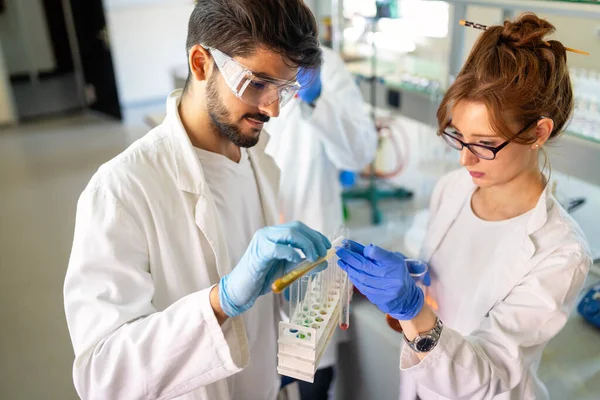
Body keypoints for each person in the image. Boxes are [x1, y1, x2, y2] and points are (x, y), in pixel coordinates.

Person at [63, 1, 329, 399]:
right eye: (257, 83)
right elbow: (103, 376)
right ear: (202, 63)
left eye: (284, 88)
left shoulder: (261, 161)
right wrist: (220, 302)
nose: (272, 108)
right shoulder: (122, 190)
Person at [335, 13, 591, 400]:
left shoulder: (561, 253)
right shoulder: (453, 188)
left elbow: (487, 375)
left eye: (485, 144)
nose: (465, 161)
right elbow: (438, 301)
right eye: (460, 137)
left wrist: (413, 311)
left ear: (538, 132)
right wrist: (409, 293)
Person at [265, 46, 377, 399]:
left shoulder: (322, 64)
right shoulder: (235, 58)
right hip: (252, 237)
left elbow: (359, 153)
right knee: (255, 367)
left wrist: (316, 101)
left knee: (310, 367)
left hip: (311, 246)